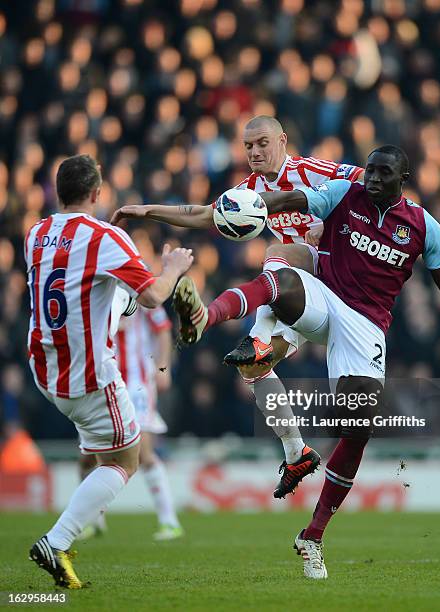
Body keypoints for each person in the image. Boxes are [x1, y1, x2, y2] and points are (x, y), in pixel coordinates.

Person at [171, 145, 440, 579]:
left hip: (367, 325)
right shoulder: (343, 192)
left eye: (382, 174)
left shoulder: (422, 226)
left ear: (403, 178)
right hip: (325, 296)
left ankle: (313, 535)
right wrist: (255, 204)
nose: (372, 179)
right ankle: (209, 319)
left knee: (357, 430)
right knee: (280, 274)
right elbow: (293, 200)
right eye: (370, 171)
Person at [111, 115, 364, 498]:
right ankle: (296, 451)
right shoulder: (249, 189)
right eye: (248, 146)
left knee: (277, 249)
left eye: (262, 143)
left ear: (282, 140)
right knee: (251, 366)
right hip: (302, 293)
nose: (255, 151)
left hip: (336, 278)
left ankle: (220, 321)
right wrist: (148, 210)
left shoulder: (312, 170)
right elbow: (202, 214)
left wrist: (333, 222)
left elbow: (372, 180)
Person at [25, 154, 193, 588]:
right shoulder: (106, 237)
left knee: (99, 455)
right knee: (126, 459)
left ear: (57, 191)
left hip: (45, 370)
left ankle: (71, 535)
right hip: (89, 373)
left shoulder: (35, 234)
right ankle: (56, 541)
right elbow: (155, 296)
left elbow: (79, 285)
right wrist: (173, 269)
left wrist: (122, 299)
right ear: (98, 194)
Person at [78, 290, 183, 542]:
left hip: (136, 383)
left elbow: (162, 329)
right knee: (88, 457)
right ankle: (94, 521)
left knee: (143, 452)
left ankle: (169, 521)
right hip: (100, 381)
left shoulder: (141, 289)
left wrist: (162, 367)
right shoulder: (94, 288)